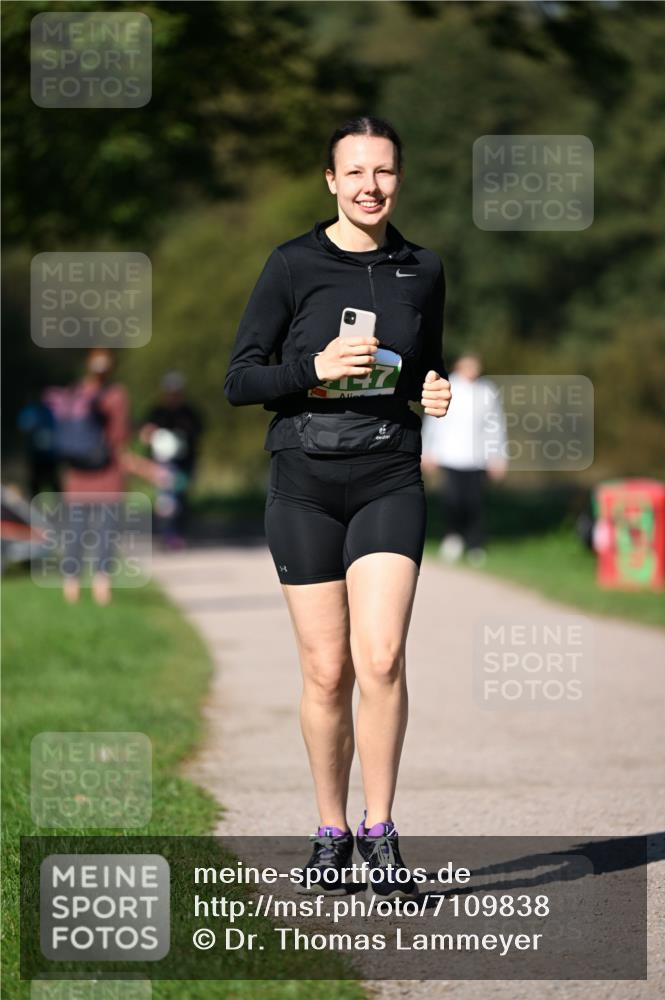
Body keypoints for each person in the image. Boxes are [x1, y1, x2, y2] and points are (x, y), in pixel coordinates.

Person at [224, 116, 451, 898]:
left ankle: (380, 829)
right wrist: (312, 368)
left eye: (382, 171)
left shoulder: (423, 268)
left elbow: (423, 366)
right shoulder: (292, 264)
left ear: (399, 178)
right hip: (304, 484)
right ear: (330, 180)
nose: (369, 186)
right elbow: (240, 380)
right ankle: (331, 830)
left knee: (379, 658)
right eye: (354, 172)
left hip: (387, 475)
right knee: (326, 672)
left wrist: (434, 390)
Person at [52, 348, 131, 606]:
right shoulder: (116, 395)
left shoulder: (73, 392)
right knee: (106, 533)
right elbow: (119, 437)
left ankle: (71, 587)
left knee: (75, 533)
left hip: (76, 476)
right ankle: (101, 588)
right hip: (108, 475)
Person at [421, 351, 507, 566]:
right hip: (450, 455)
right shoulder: (447, 385)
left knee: (475, 503)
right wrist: (428, 450)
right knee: (452, 500)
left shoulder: (487, 390)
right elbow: (434, 420)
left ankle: (475, 544)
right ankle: (453, 537)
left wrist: (498, 456)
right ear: (459, 366)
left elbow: (496, 426)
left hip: (477, 457)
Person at [139, 371, 204, 549]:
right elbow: (144, 435)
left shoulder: (189, 413)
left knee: (180, 498)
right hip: (163, 465)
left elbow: (198, 433)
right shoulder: (157, 413)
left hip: (184, 463)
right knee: (166, 501)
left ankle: (178, 533)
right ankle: (168, 535)